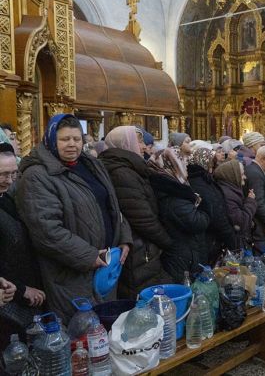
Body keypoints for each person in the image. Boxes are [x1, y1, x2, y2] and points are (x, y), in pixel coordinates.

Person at [16, 114, 132, 323]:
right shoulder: (37, 176)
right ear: (51, 140)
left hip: (106, 266)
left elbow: (112, 205)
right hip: (71, 274)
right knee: (82, 332)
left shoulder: (91, 164)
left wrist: (124, 237)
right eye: (64, 139)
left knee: (105, 328)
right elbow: (47, 231)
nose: (72, 145)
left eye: (77, 139)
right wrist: (88, 256)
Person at [99, 126, 173, 299]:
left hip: (143, 248)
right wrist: (167, 241)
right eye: (138, 141)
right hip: (138, 251)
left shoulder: (129, 167)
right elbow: (141, 217)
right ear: (126, 143)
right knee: (143, 304)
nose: (143, 146)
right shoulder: (122, 172)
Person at [0, 143, 44, 350]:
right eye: (2, 174)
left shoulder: (6, 198)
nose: (8, 181)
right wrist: (21, 289)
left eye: (13, 174)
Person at [149, 148, 210, 282]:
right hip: (180, 257)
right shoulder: (173, 193)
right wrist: (204, 207)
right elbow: (197, 221)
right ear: (173, 166)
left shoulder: (177, 187)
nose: (186, 166)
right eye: (182, 162)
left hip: (186, 253)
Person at [187, 148, 237, 260]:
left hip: (205, 238)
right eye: (211, 164)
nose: (213, 168)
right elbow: (217, 214)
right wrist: (232, 241)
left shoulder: (196, 179)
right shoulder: (203, 184)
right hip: (209, 240)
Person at [214, 160, 258, 251]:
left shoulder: (231, 190)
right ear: (233, 176)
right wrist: (250, 201)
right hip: (234, 245)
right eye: (242, 174)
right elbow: (241, 221)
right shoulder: (228, 195)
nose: (245, 177)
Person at [244, 144, 265, 252]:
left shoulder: (254, 170)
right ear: (263, 158)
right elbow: (258, 203)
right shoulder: (255, 174)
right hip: (258, 228)